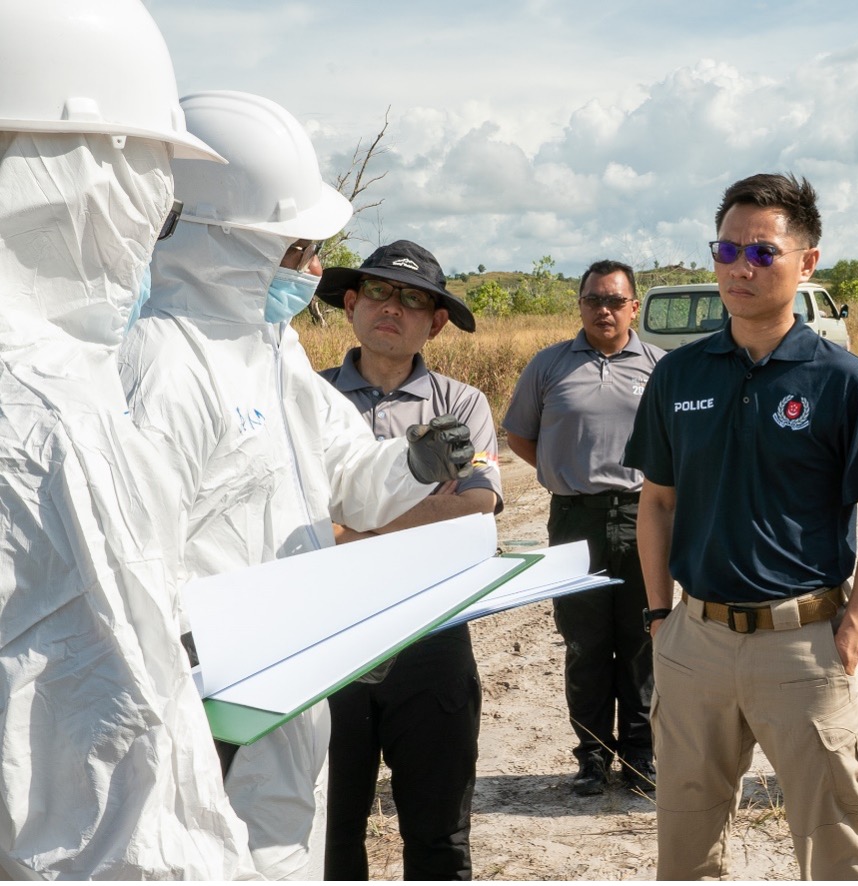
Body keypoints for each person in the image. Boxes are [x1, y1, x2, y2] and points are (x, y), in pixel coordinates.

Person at [119, 92, 472, 880]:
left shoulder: (273, 354)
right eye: (298, 248)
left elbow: (348, 480)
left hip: (287, 691)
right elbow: (130, 565)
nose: (314, 269)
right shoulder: (163, 364)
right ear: (232, 245)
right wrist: (190, 671)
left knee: (288, 852)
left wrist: (415, 463)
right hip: (213, 709)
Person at [0, 0, 260, 878]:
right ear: (91, 169)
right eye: (153, 168)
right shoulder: (56, 424)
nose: (157, 207)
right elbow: (130, 806)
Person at [624, 173, 858, 880]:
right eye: (726, 251)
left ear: (807, 262)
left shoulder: (843, 380)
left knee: (836, 846)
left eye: (761, 253)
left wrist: (855, 628)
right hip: (696, 645)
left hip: (804, 647)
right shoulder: (679, 376)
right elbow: (656, 503)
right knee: (685, 849)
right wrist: (662, 617)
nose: (739, 268)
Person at [317, 240, 502, 880]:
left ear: (436, 321)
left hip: (432, 635)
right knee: (329, 837)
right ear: (350, 303)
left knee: (439, 837)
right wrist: (421, 512)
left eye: (414, 298)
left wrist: (346, 527)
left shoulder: (460, 407)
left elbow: (477, 505)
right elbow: (288, 521)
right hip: (326, 642)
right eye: (377, 292)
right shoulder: (307, 401)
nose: (392, 308)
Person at [503, 260, 665, 796]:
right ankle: (592, 757)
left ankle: (640, 757)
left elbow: (678, 450)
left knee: (644, 639)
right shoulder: (548, 366)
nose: (604, 309)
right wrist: (562, 473)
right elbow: (521, 437)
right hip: (573, 518)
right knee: (584, 643)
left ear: (634, 307)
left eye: (616, 300)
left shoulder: (661, 368)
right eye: (594, 299)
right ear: (580, 304)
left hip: (643, 515)